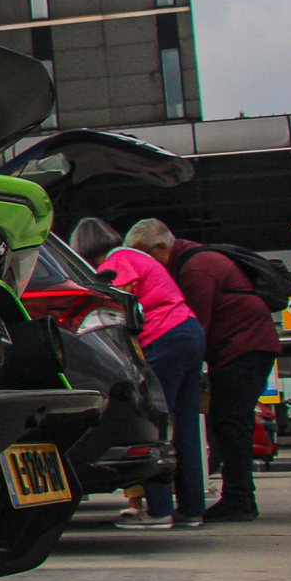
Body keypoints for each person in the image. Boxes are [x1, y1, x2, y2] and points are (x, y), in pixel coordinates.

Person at [127, 218, 278, 524]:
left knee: (231, 423)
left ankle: (238, 500)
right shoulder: (196, 260)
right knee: (229, 422)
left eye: (146, 257)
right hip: (246, 346)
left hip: (241, 348)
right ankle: (237, 498)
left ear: (161, 247)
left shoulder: (197, 268)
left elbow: (195, 322)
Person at [71, 217, 205, 529]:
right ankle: (192, 509)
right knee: (184, 426)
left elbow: (115, 306)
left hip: (164, 338)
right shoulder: (139, 257)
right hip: (189, 332)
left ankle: (159, 511)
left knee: (155, 426)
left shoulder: (118, 262)